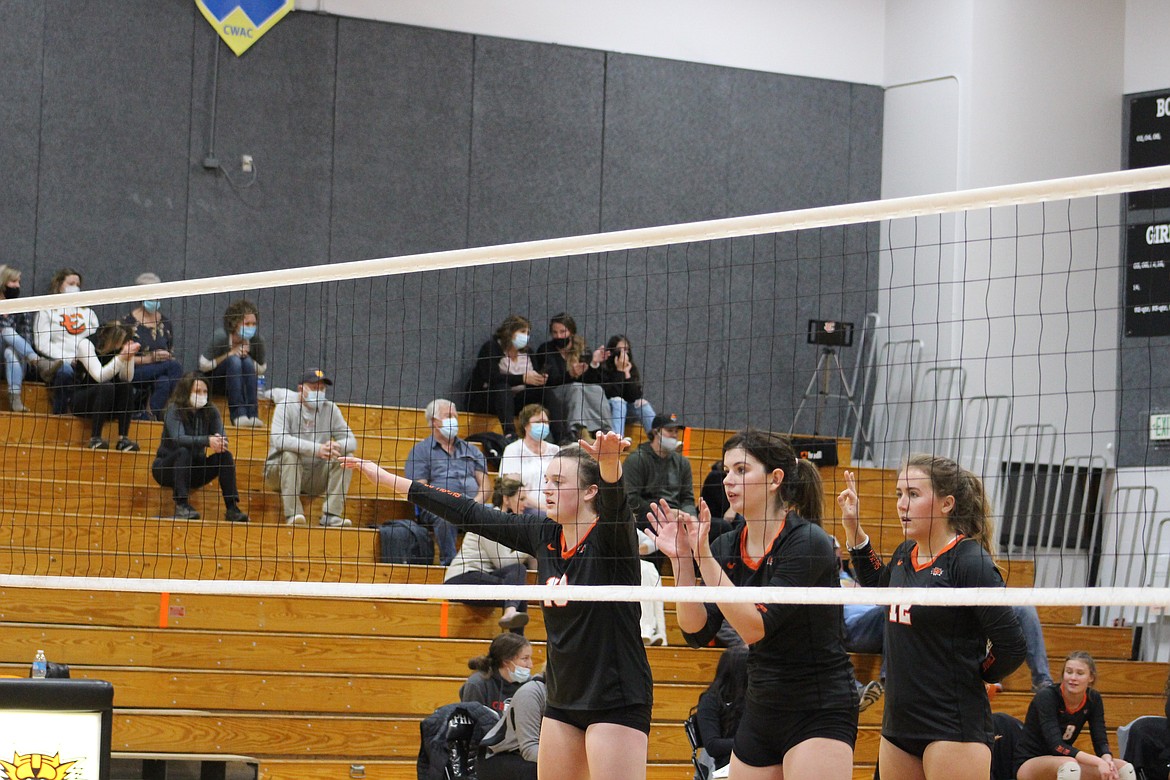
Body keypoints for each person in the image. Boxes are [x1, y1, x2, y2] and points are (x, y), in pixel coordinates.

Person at [341, 431, 655, 780]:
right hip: (563, 697)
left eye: (559, 481)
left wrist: (609, 465)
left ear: (590, 491)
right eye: (546, 480)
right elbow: (470, 512)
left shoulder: (612, 538)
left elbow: (617, 508)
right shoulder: (544, 532)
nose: (547, 489)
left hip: (616, 697)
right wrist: (387, 479)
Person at [649, 429, 858, 780]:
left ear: (775, 479)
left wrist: (703, 556)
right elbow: (696, 631)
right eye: (727, 471)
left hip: (818, 706)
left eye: (741, 470)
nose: (729, 480)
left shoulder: (808, 542)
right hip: (761, 705)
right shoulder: (728, 544)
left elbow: (754, 628)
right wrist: (683, 562)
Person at [838, 456, 1028, 780]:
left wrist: (978, 671)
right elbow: (878, 590)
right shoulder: (904, 554)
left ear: (946, 504)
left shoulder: (969, 562)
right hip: (899, 725)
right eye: (899, 494)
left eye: (913, 494)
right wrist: (854, 530)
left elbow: (1012, 645)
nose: (901, 504)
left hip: (952, 725)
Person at [1014, 651, 1136, 780]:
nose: (1073, 678)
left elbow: (1100, 740)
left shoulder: (1093, 699)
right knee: (1070, 767)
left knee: (1124, 769)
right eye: (1069, 672)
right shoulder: (1047, 697)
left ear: (1091, 677)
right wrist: (1098, 762)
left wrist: (1107, 759)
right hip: (1029, 762)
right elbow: (1057, 746)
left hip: (1064, 760)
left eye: (1080, 673)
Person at [262, 368, 357, 527]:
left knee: (347, 456)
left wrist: (337, 445)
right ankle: (294, 514)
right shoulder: (286, 405)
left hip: (314, 475)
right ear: (301, 389)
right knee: (290, 454)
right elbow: (279, 439)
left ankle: (331, 515)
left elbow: (352, 440)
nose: (319, 392)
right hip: (278, 473)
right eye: (314, 388)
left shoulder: (330, 409)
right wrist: (317, 449)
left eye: (322, 388)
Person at [151, 372, 248, 522]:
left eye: (205, 392)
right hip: (166, 468)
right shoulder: (174, 409)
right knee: (183, 451)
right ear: (186, 392)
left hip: (194, 470)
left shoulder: (211, 410)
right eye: (197, 391)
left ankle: (232, 508)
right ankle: (182, 505)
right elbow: (179, 438)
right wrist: (207, 440)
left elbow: (222, 436)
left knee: (225, 456)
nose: (202, 395)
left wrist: (220, 442)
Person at [404, 399, 490, 565]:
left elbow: (486, 485)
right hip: (440, 505)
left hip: (473, 504)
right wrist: (447, 502)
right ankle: (450, 565)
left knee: (497, 515)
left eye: (455, 416)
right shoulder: (420, 451)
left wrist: (474, 503)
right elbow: (419, 489)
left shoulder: (471, 450)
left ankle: (488, 564)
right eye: (449, 416)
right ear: (435, 422)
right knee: (445, 517)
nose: (454, 420)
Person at [444, 476, 535, 631]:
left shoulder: (507, 522)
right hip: (462, 579)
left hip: (482, 576)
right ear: (506, 499)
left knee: (518, 574)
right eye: (522, 498)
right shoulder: (491, 519)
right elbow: (504, 562)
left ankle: (511, 616)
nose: (526, 504)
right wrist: (530, 547)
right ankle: (516, 642)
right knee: (517, 590)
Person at [534, 313, 609, 444]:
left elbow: (591, 381)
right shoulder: (546, 349)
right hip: (554, 393)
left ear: (571, 332)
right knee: (576, 388)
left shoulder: (582, 349)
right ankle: (580, 431)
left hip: (577, 393)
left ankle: (605, 432)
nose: (559, 336)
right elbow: (551, 381)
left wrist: (593, 364)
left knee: (597, 390)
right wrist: (571, 375)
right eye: (555, 332)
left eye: (563, 332)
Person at [465, 314, 548, 430]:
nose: (526, 336)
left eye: (528, 333)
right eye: (522, 331)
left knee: (546, 393)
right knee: (502, 387)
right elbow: (491, 377)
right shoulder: (491, 348)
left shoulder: (529, 353)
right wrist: (522, 378)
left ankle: (563, 436)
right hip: (489, 399)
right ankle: (510, 433)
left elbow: (532, 380)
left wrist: (538, 379)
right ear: (510, 332)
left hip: (516, 400)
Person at [70, 321, 141, 451]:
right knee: (106, 386)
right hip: (83, 400)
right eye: (120, 341)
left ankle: (123, 439)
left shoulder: (120, 349)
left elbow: (127, 378)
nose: (120, 346)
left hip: (108, 403)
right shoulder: (86, 344)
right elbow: (99, 376)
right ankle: (95, 438)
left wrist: (129, 358)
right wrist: (121, 358)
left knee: (126, 386)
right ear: (111, 338)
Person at [122, 272, 183, 421]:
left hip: (161, 371)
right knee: (175, 367)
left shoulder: (166, 323)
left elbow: (171, 352)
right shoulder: (127, 323)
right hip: (134, 372)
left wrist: (165, 356)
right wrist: (150, 359)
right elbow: (122, 359)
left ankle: (147, 416)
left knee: (164, 382)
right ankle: (178, 411)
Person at [623, 412, 696, 537]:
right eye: (669, 430)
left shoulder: (682, 462)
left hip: (677, 516)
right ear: (656, 432)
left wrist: (692, 517)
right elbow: (631, 499)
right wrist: (664, 512)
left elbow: (687, 498)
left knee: (717, 526)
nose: (674, 435)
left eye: (676, 432)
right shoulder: (636, 459)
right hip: (648, 516)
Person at [33, 267, 95, 414]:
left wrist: (83, 358)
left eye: (77, 284)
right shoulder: (47, 310)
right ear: (59, 285)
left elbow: (95, 339)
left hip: (84, 361)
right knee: (65, 372)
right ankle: (59, 414)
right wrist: (67, 358)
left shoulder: (88, 312)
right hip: (57, 362)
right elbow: (41, 343)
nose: (75, 287)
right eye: (71, 283)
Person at [0, 265, 60, 413]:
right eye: (13, 282)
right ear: (3, 282)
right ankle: (39, 362)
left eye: (19, 282)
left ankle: (15, 399)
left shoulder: (22, 308)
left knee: (10, 352)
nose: (17, 286)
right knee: (6, 331)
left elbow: (26, 338)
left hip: (18, 360)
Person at [199, 299, 266, 427]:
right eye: (247, 324)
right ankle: (238, 414)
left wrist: (248, 358)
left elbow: (262, 368)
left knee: (245, 361)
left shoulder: (257, 340)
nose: (251, 327)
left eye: (254, 324)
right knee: (234, 360)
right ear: (235, 323)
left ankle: (253, 415)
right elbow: (203, 365)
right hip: (216, 381)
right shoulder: (221, 336)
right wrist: (230, 353)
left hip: (242, 382)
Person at [479, 667, 546, 780]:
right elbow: (530, 749)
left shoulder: (573, 700)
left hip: (523, 755)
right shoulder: (530, 693)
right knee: (541, 772)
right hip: (497, 756)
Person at [695, 646, 749, 774]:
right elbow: (713, 745)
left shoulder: (755, 699)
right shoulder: (710, 700)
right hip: (726, 766)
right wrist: (752, 743)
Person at [498, 404, 559, 509]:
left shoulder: (556, 450)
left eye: (545, 422)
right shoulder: (513, 450)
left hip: (555, 509)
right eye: (538, 422)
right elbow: (511, 488)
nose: (543, 425)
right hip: (525, 510)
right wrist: (543, 509)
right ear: (525, 425)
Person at [460, 633, 534, 714]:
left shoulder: (530, 684)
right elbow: (470, 722)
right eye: (525, 659)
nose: (531, 665)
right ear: (506, 660)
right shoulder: (477, 684)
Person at [599, 335, 656, 437]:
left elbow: (635, 397)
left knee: (642, 403)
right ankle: (617, 440)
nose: (623, 354)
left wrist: (627, 374)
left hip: (625, 410)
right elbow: (613, 394)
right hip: (607, 409)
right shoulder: (603, 368)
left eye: (626, 350)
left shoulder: (631, 368)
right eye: (619, 350)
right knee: (618, 401)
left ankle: (659, 438)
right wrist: (619, 371)